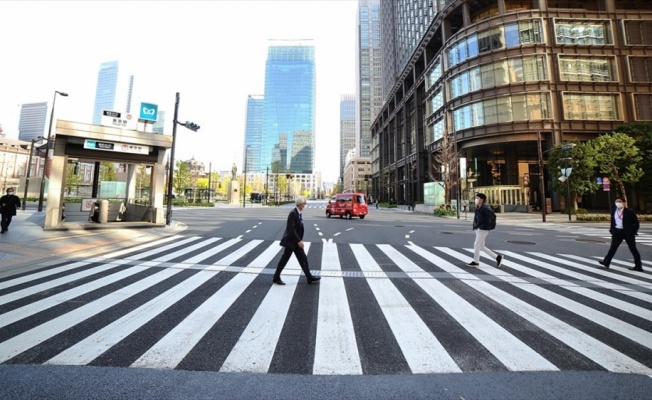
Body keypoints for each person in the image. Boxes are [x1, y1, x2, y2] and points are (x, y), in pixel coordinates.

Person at [273, 196, 321, 285]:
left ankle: (309, 277)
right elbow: (292, 229)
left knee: (303, 259)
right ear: (299, 204)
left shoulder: (297, 213)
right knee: (284, 259)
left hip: (295, 242)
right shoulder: (293, 213)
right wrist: (299, 241)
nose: (304, 206)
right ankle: (276, 277)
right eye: (304, 204)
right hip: (291, 242)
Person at [599, 197, 643, 271]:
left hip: (627, 233)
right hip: (617, 232)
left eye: (619, 201)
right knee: (613, 247)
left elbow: (636, 223)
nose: (618, 203)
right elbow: (612, 221)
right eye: (616, 201)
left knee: (633, 249)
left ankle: (638, 266)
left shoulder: (629, 211)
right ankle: (606, 262)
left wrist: (633, 232)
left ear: (624, 203)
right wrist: (612, 230)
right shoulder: (614, 210)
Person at [466, 193, 503, 268]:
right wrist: (476, 227)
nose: (476, 199)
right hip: (479, 228)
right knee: (481, 246)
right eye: (476, 198)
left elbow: (488, 220)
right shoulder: (479, 208)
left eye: (478, 198)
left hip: (483, 229)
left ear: (482, 199)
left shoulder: (485, 208)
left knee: (476, 245)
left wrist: (483, 227)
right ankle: (497, 257)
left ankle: (476, 262)